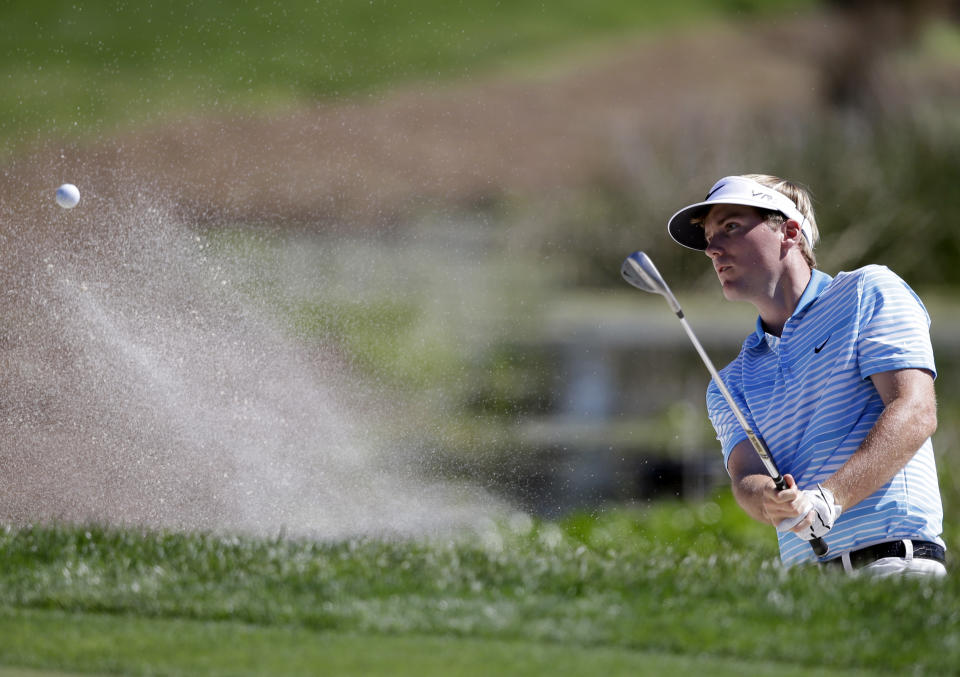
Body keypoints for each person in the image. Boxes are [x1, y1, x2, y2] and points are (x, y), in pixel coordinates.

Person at [666, 173, 946, 576]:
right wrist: (769, 500)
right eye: (709, 236)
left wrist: (829, 499)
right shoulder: (730, 382)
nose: (712, 248)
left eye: (730, 227)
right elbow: (746, 476)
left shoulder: (867, 292)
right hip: (806, 592)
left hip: (893, 566)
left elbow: (916, 411)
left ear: (790, 231)